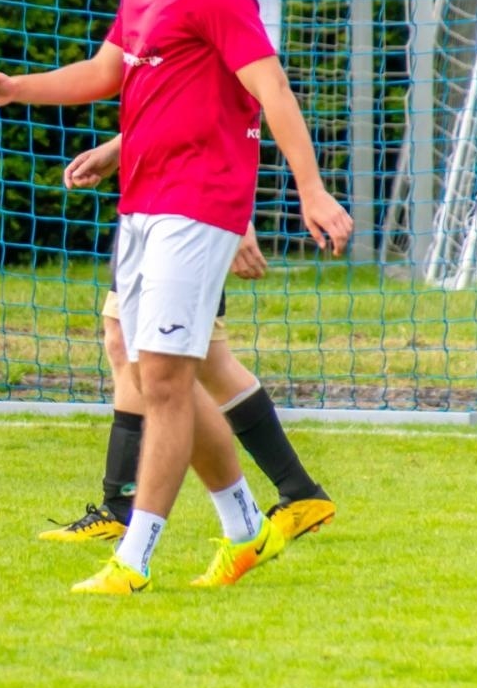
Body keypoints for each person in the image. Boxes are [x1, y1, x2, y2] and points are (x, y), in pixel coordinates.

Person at [0, 0, 352, 593]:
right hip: (144, 199)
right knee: (156, 373)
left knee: (168, 379)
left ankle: (132, 560)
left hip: (198, 202)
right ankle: (246, 527)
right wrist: (18, 86)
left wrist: (311, 190)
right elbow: (111, 73)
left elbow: (270, 89)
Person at [39, 137, 336, 544]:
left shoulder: (231, 72)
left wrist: (234, 217)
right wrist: (116, 149)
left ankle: (130, 509)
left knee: (170, 358)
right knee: (156, 348)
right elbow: (162, 110)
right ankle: (298, 494)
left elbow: (230, 118)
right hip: (156, 206)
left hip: (190, 215)